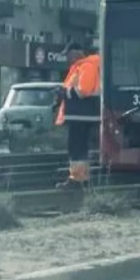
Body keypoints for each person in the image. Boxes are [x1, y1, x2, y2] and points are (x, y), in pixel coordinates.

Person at [54, 42, 101, 189]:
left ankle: (77, 179)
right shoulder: (82, 66)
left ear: (77, 52)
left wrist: (64, 93)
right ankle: (82, 178)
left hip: (82, 115)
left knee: (76, 148)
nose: (67, 58)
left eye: (68, 54)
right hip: (80, 115)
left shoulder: (87, 66)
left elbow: (84, 90)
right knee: (79, 148)